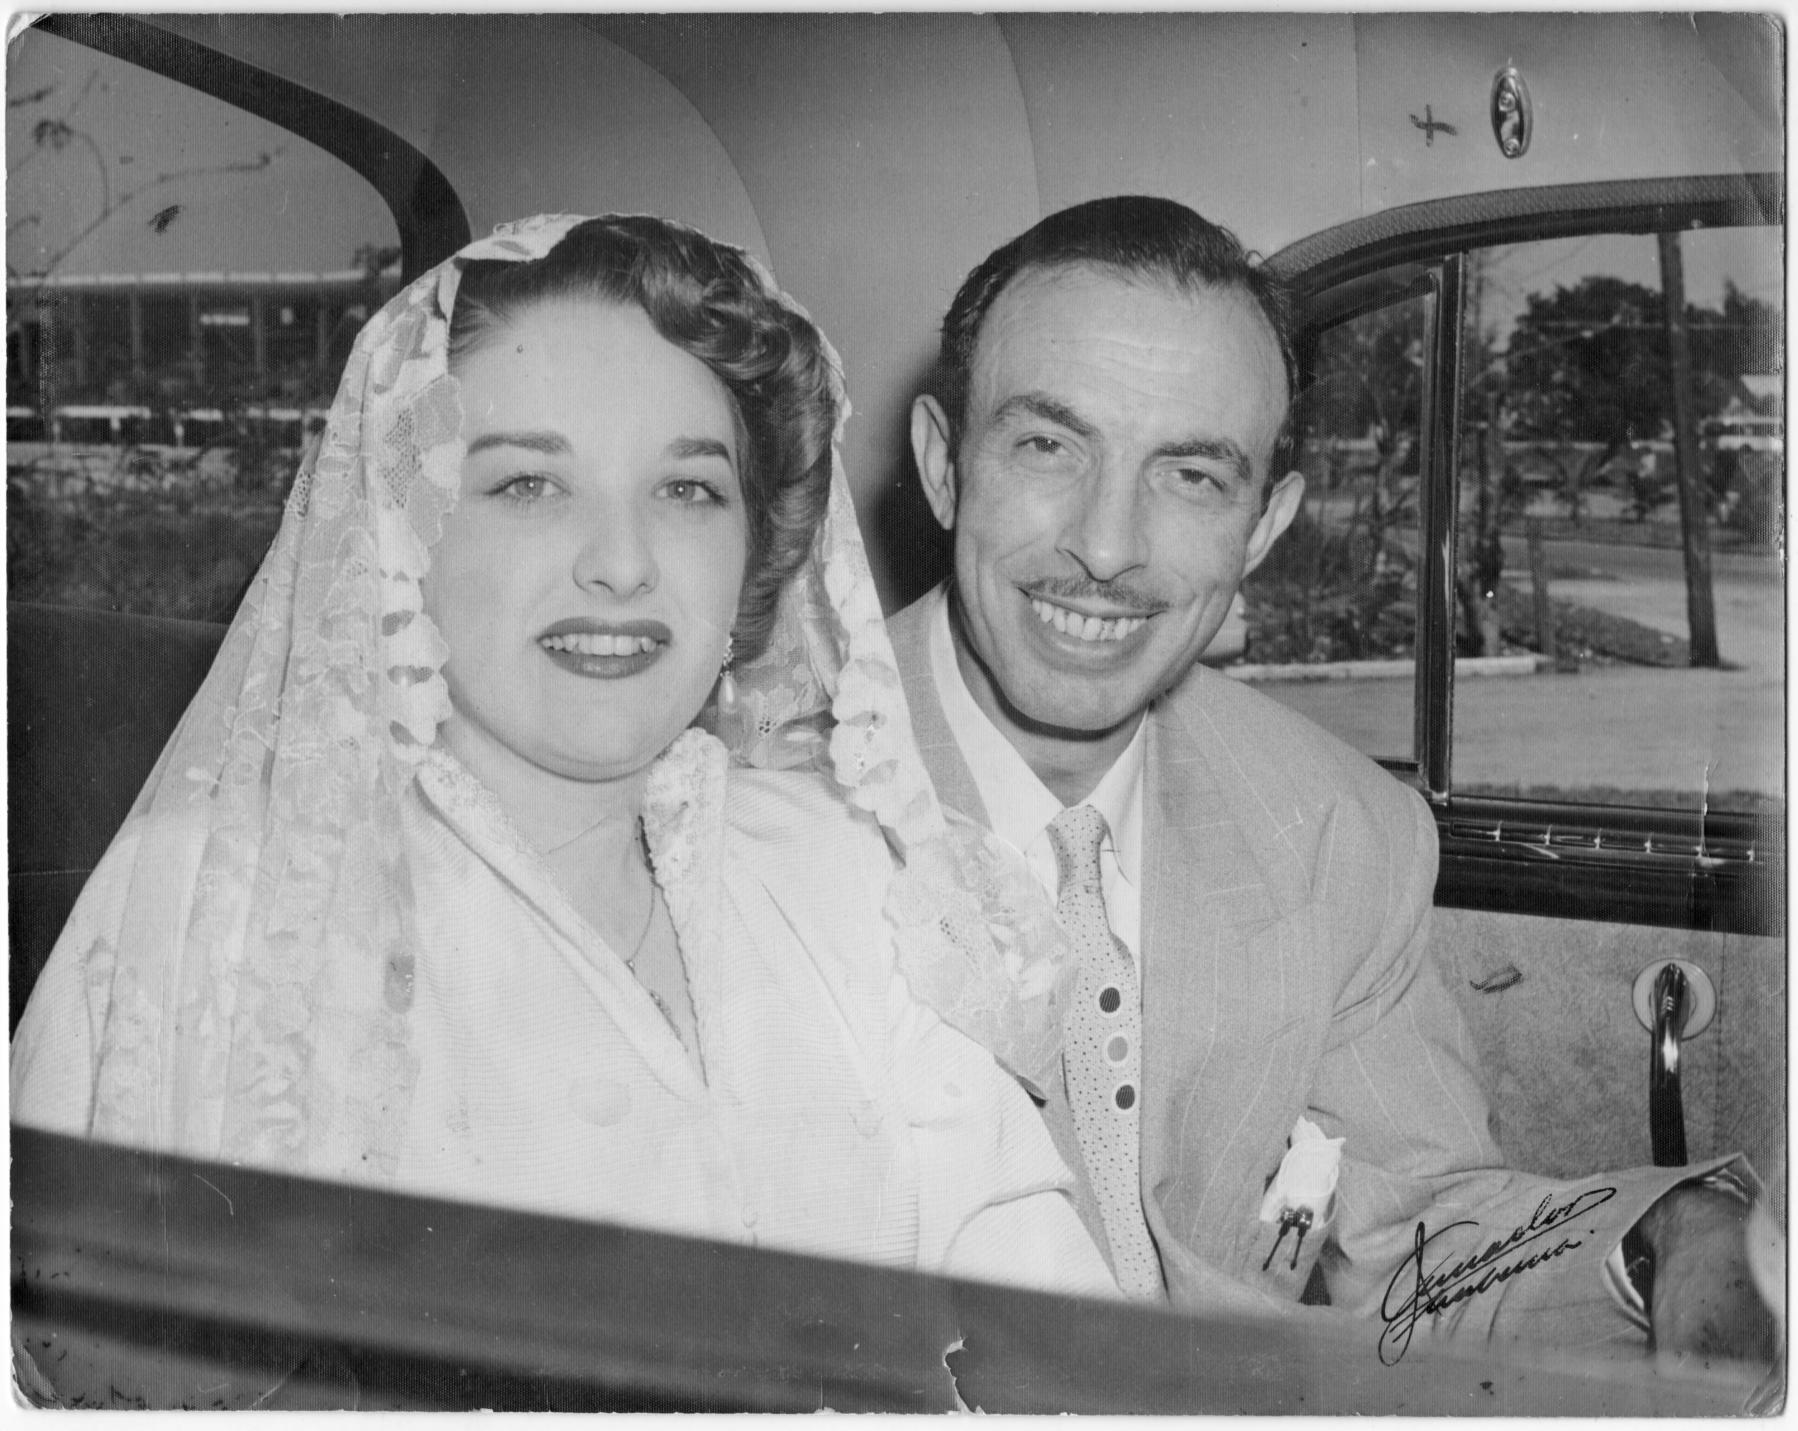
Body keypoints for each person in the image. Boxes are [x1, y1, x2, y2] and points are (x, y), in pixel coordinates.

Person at [11, 216, 1115, 1312]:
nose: (622, 564)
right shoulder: (218, 913)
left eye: (687, 490)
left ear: (752, 552)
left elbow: (1052, 1335)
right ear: (401, 536)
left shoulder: (858, 882)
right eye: (528, 486)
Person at [889, 194, 1777, 1363]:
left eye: (1193, 475)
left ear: (1263, 527)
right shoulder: (749, 805)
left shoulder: (1335, 828)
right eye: (1048, 445)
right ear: (945, 466)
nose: (1105, 547)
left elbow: (1413, 1245)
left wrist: (1676, 1239)